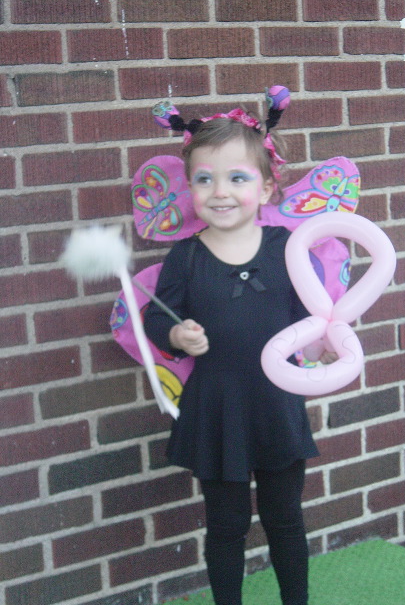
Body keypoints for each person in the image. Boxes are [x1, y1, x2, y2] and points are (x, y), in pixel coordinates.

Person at [143, 95, 322, 605]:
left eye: (237, 178)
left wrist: (325, 343)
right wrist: (177, 335)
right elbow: (158, 316)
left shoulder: (286, 249)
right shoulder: (186, 256)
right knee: (225, 524)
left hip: (275, 405)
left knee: (285, 517)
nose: (220, 192)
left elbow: (312, 314)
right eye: (205, 179)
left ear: (266, 187)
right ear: (191, 187)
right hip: (217, 409)